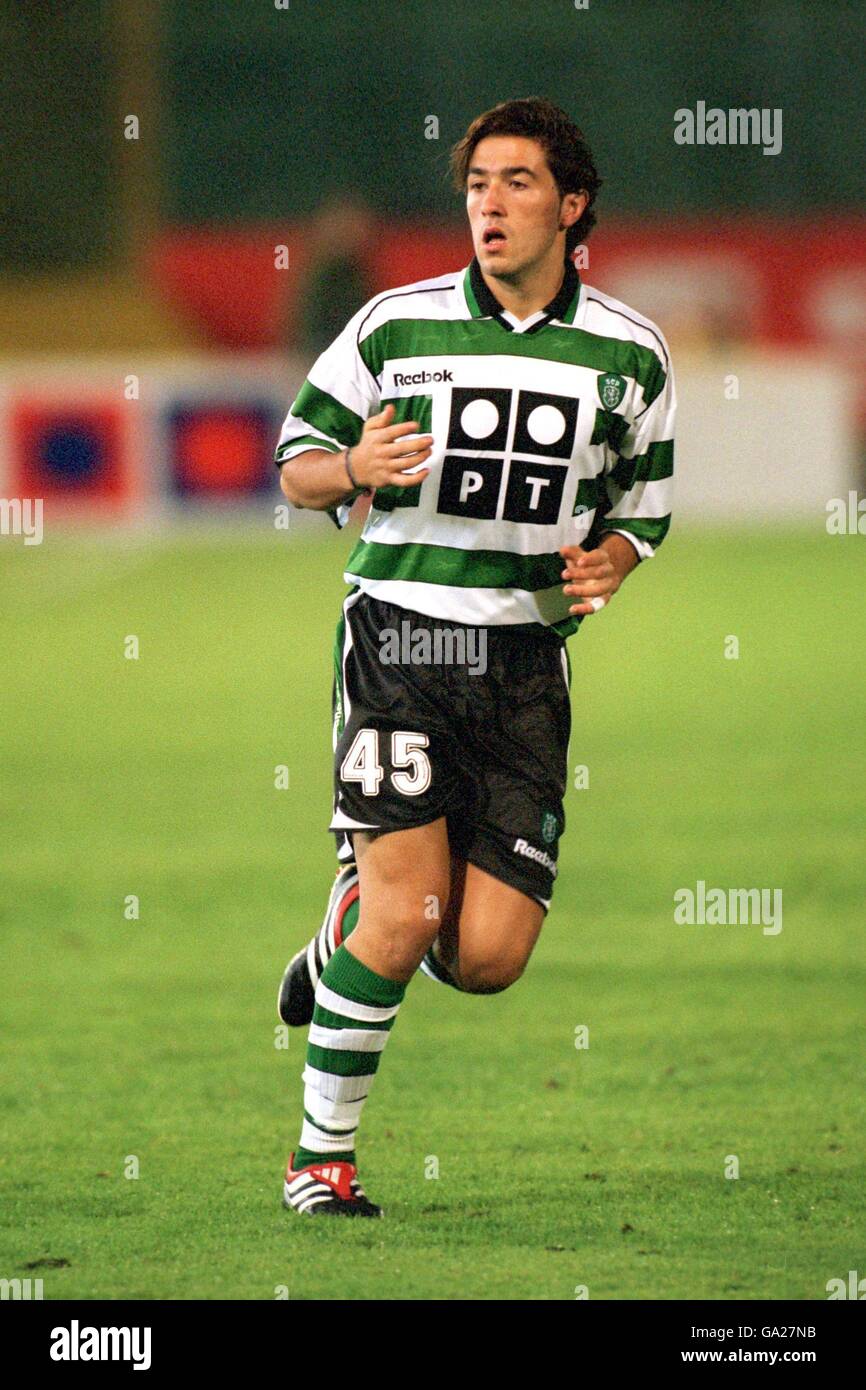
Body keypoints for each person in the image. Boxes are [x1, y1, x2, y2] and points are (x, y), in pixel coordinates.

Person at [273, 97, 675, 1218]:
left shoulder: (630, 354)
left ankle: (336, 933)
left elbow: (642, 511)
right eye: (475, 185)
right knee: (406, 920)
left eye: (515, 184)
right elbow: (295, 463)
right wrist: (352, 463)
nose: (488, 206)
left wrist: (613, 563)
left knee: (486, 955)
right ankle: (321, 1160)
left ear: (570, 204)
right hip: (398, 640)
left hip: (522, 668)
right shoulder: (394, 325)